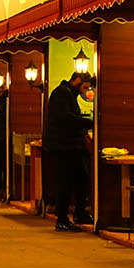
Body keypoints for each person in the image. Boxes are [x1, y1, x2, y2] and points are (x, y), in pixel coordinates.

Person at [40, 68, 93, 232]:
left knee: (80, 179)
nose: (85, 92)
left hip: (70, 146)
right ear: (77, 80)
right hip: (63, 147)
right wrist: (88, 122)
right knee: (65, 183)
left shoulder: (67, 94)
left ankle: (79, 213)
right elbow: (64, 118)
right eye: (84, 87)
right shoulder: (62, 93)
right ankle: (62, 218)